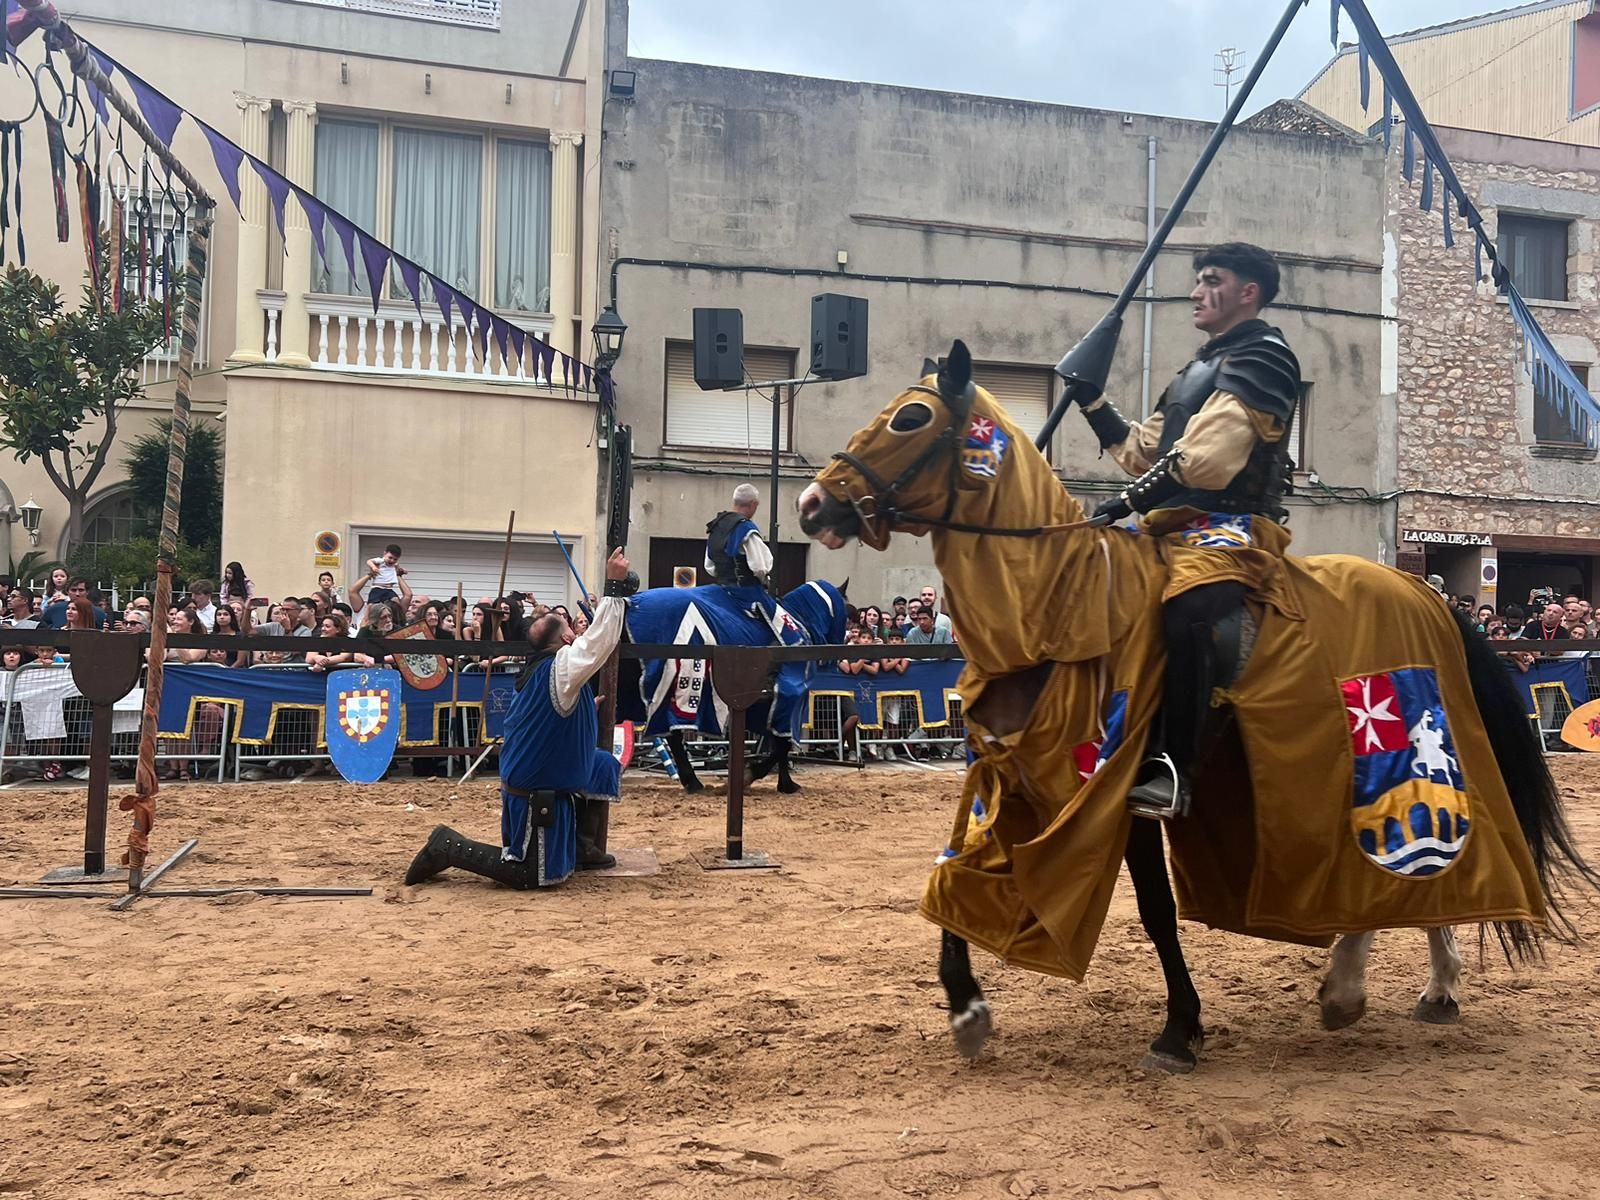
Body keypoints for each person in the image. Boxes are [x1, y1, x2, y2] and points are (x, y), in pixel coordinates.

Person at [1076, 242, 1301, 818]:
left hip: (1229, 526)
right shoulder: (1194, 371)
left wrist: (1124, 503)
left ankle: (1173, 765)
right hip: (1168, 527)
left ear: (1247, 292)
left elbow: (1206, 463)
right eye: (1198, 281)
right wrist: (1091, 400)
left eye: (1210, 281)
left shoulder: (1265, 358)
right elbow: (1141, 450)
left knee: (1189, 610)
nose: (1196, 293)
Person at [404, 547, 637, 889]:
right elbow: (598, 645)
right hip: (533, 790)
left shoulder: (543, 669)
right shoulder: (559, 668)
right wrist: (614, 588)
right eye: (572, 630)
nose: (577, 633)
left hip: (541, 774)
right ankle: (448, 846)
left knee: (600, 763)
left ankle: (580, 846)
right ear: (566, 639)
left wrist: (588, 706)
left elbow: (559, 703)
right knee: (528, 874)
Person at [704, 483, 774, 589]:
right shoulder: (746, 528)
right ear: (753, 504)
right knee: (769, 606)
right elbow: (760, 567)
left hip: (720, 589)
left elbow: (709, 566)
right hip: (744, 591)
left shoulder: (716, 526)